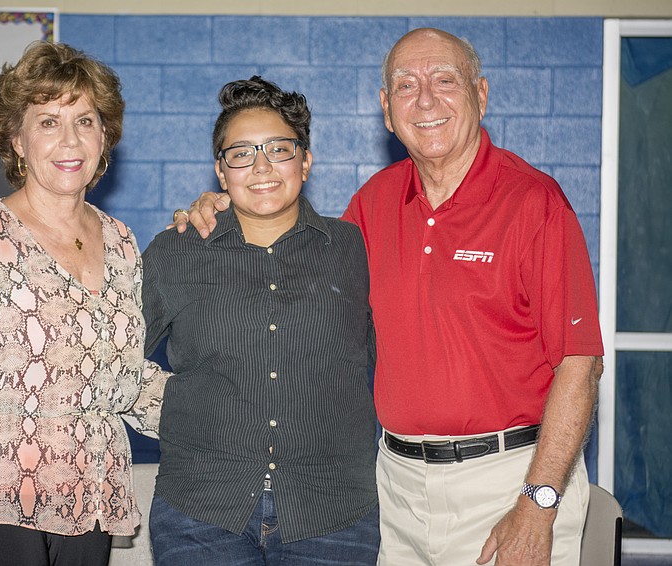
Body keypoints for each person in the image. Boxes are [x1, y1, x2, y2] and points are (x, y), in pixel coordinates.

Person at [173, 28, 604, 566]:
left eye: (445, 80)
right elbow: (291, 267)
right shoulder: (373, 204)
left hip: (507, 484)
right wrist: (222, 209)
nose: (425, 100)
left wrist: (538, 505)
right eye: (405, 85)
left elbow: (580, 364)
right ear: (385, 108)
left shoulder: (534, 203)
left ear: (481, 94)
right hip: (396, 491)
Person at [0, 41, 169, 566]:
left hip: (90, 499)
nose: (70, 139)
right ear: (17, 141)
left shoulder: (120, 242)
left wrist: (229, 416)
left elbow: (122, 379)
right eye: (48, 121)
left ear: (106, 135)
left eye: (85, 120)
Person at [142, 76, 380, 565]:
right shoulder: (176, 251)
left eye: (279, 148)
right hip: (202, 512)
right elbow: (107, 358)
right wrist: (176, 412)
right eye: (241, 153)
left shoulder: (354, 249)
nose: (261, 166)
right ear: (220, 171)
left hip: (331, 513)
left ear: (306, 161)